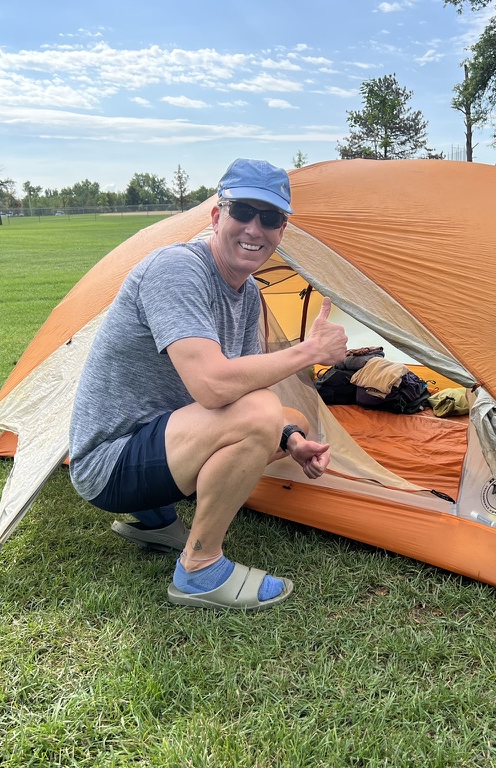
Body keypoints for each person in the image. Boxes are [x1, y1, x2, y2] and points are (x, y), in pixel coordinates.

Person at [68, 158, 348, 611]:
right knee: (259, 413)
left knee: (288, 419)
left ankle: (157, 520)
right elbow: (214, 388)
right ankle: (200, 570)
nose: (255, 229)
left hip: (161, 438)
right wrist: (308, 351)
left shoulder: (249, 293)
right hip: (110, 463)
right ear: (217, 217)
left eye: (271, 218)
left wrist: (292, 441)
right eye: (243, 212)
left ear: (281, 232)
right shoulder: (177, 268)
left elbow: (245, 384)